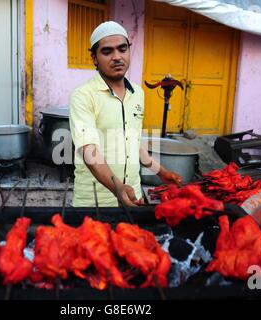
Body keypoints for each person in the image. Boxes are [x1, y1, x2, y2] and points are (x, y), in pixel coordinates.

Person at [69, 21, 182, 207]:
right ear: (94, 58)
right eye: (107, 51)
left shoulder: (137, 94)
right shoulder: (83, 96)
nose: (117, 57)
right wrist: (117, 187)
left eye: (122, 49)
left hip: (133, 196)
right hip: (95, 201)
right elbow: (88, 149)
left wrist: (161, 172)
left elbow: (133, 143)